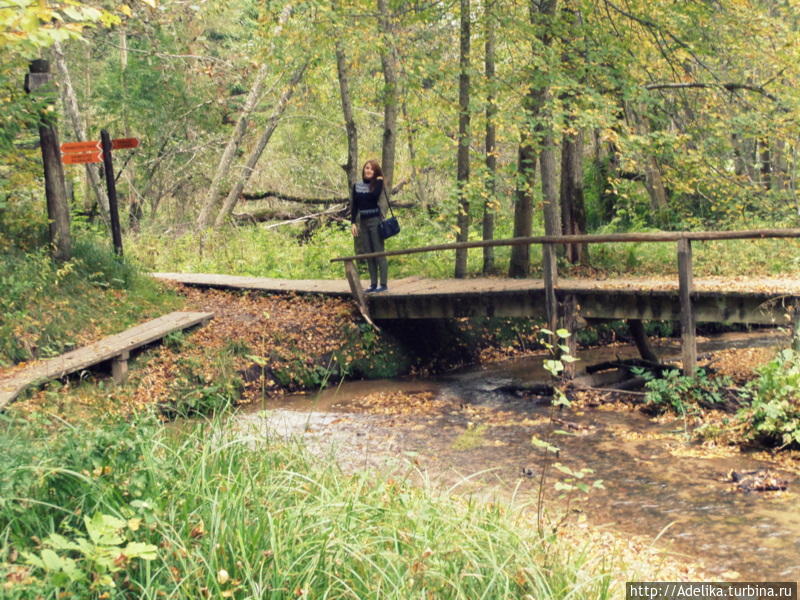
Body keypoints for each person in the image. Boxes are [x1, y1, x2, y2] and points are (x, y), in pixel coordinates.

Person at [350, 159, 388, 292]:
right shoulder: (357, 186)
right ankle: (373, 284)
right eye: (367, 168)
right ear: (364, 170)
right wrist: (353, 222)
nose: (369, 170)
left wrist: (379, 180)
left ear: (375, 172)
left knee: (378, 252)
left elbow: (374, 196)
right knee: (368, 253)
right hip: (363, 222)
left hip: (375, 221)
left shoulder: (377, 184)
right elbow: (354, 205)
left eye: (372, 169)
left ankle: (383, 285)